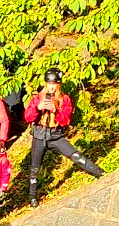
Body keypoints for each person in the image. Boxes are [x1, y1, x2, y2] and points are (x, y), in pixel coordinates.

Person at [24, 68, 104, 207]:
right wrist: (37, 108)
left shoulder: (64, 99)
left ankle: (99, 173)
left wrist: (56, 110)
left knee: (76, 156)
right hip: (39, 136)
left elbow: (66, 120)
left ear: (59, 84)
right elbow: (28, 117)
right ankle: (32, 197)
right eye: (49, 83)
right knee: (34, 168)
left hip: (55, 136)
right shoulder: (37, 98)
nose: (51, 87)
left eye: (54, 84)